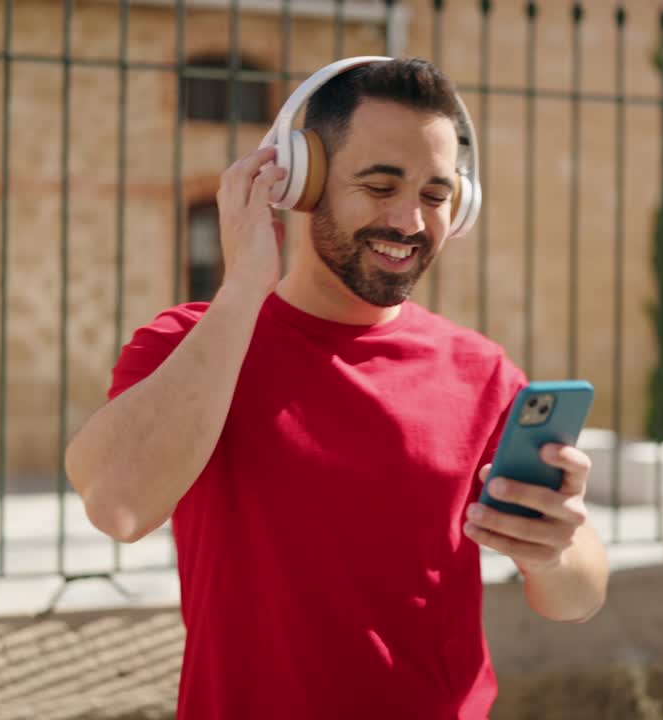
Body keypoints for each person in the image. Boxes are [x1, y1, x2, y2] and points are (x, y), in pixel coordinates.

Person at [64, 57, 609, 719]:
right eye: (380, 186)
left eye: (436, 196)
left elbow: (580, 598)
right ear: (301, 181)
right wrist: (242, 289)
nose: (410, 221)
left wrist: (555, 551)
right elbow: (116, 504)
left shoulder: (484, 372)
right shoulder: (193, 345)